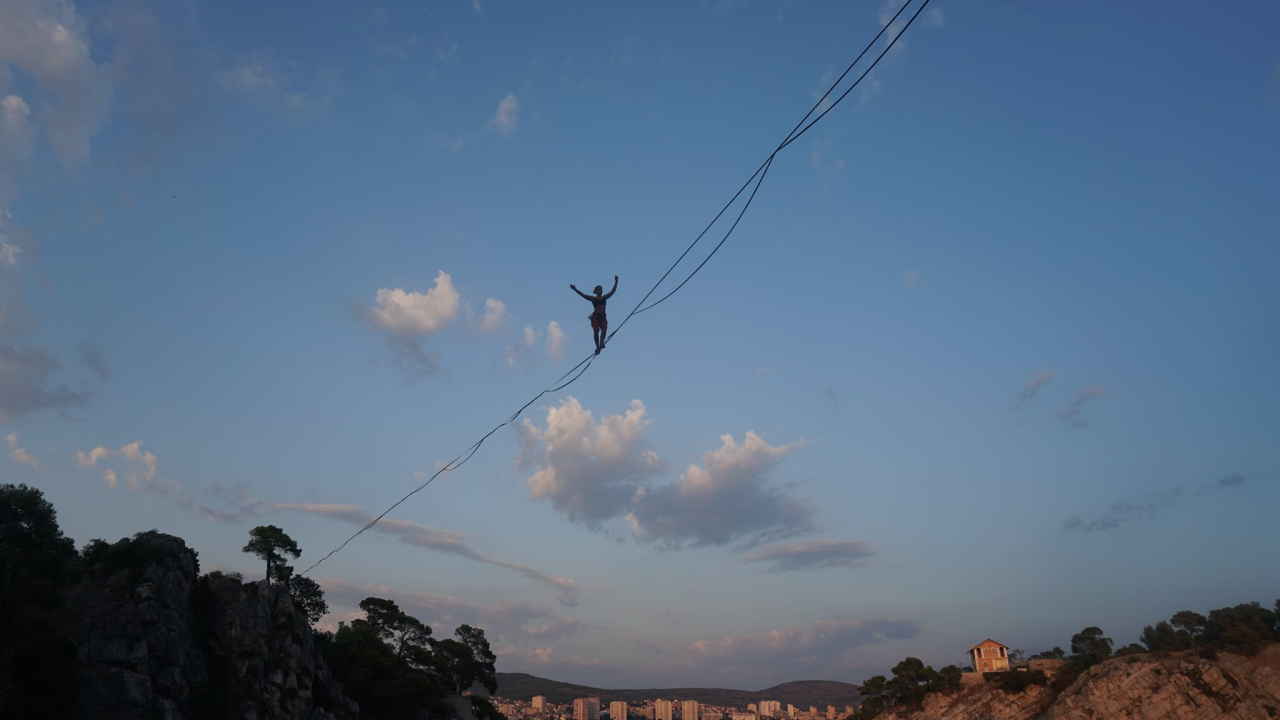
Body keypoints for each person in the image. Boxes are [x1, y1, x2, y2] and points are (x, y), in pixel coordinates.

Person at [570, 275, 618, 354]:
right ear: (596, 291)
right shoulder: (593, 299)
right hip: (596, 316)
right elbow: (583, 295)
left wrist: (616, 282)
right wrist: (575, 289)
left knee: (604, 329)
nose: (601, 290)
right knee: (596, 331)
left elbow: (612, 291)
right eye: (599, 289)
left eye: (601, 289)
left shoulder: (604, 297)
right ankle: (597, 347)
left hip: (602, 316)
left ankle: (600, 343)